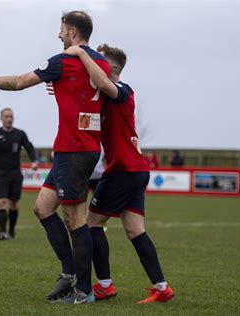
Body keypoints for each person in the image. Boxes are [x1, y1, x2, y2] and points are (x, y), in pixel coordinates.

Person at [0, 11, 110, 304]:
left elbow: (19, 82)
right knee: (43, 208)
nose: (58, 35)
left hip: (75, 150)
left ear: (72, 33)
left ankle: (84, 291)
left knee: (75, 218)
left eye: (61, 29)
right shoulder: (100, 62)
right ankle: (69, 276)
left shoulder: (63, 60)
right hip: (73, 148)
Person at [64, 43, 174, 303]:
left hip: (123, 171)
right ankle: (162, 288)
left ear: (110, 68)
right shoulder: (108, 95)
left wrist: (80, 52)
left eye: (99, 61)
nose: (94, 63)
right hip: (135, 171)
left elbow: (102, 85)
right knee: (135, 230)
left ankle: (104, 285)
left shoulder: (122, 91)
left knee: (91, 225)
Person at [0, 108, 38, 240]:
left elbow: (29, 148)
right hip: (0, 175)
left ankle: (11, 231)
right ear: (1, 118)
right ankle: (2, 232)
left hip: (15, 174)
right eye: (6, 116)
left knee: (14, 204)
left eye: (11, 116)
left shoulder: (20, 134)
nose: (9, 119)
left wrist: (34, 161)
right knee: (1, 202)